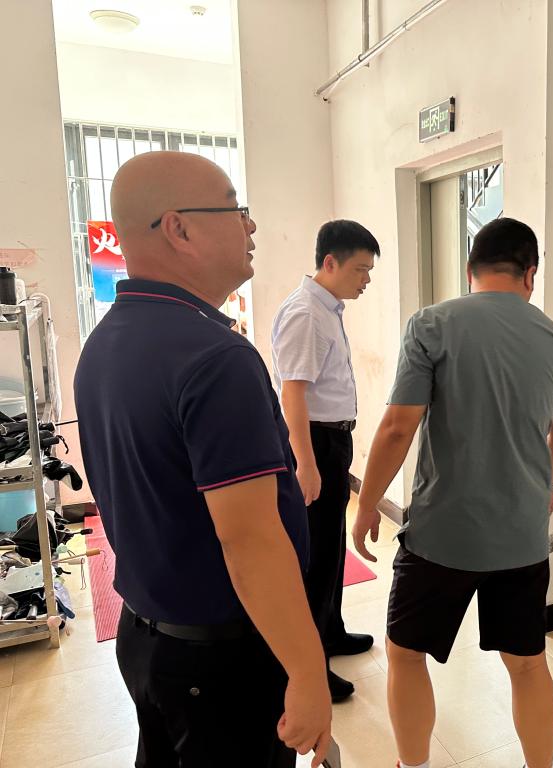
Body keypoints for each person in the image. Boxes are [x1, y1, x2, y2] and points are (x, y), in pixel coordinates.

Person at [74, 151, 332, 767]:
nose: (251, 225)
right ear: (179, 228)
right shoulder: (215, 359)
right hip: (218, 663)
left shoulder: (105, 341)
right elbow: (250, 540)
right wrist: (307, 671)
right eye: (235, 209)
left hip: (146, 638)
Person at [352, 218, 553, 768]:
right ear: (530, 273)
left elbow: (397, 427)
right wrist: (548, 485)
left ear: (469, 270)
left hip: (441, 535)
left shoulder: (432, 324)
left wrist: (366, 504)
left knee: (406, 654)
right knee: (528, 664)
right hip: (522, 536)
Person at [271, 220, 379, 702]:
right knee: (314, 558)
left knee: (332, 546)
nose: (366, 279)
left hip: (332, 439)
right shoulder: (306, 313)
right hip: (315, 442)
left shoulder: (326, 307)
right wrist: (307, 463)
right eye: (360, 269)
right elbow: (292, 393)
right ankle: (312, 666)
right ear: (330, 262)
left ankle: (330, 632)